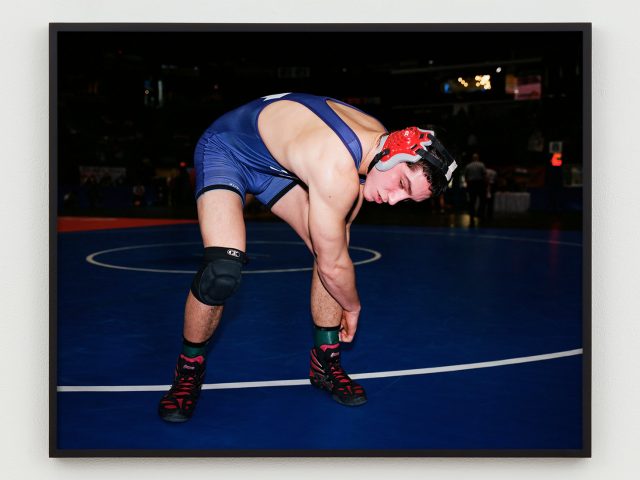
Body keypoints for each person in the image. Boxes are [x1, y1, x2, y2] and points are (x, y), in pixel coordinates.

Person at [158, 92, 458, 422]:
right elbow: (334, 267)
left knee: (330, 245)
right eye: (400, 183)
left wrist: (341, 285)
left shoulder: (372, 149)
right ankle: (188, 369)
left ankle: (324, 361)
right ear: (391, 154)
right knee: (222, 270)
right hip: (228, 149)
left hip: (277, 165)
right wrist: (352, 306)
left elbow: (333, 256)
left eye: (406, 198)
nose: (393, 199)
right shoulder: (336, 168)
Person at [463, 152, 487, 225]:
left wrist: (467, 184)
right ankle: (481, 215)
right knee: (482, 200)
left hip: (471, 184)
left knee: (472, 201)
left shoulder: (468, 166)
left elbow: (466, 176)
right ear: (478, 158)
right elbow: (484, 175)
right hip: (480, 183)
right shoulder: (481, 165)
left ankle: (472, 217)